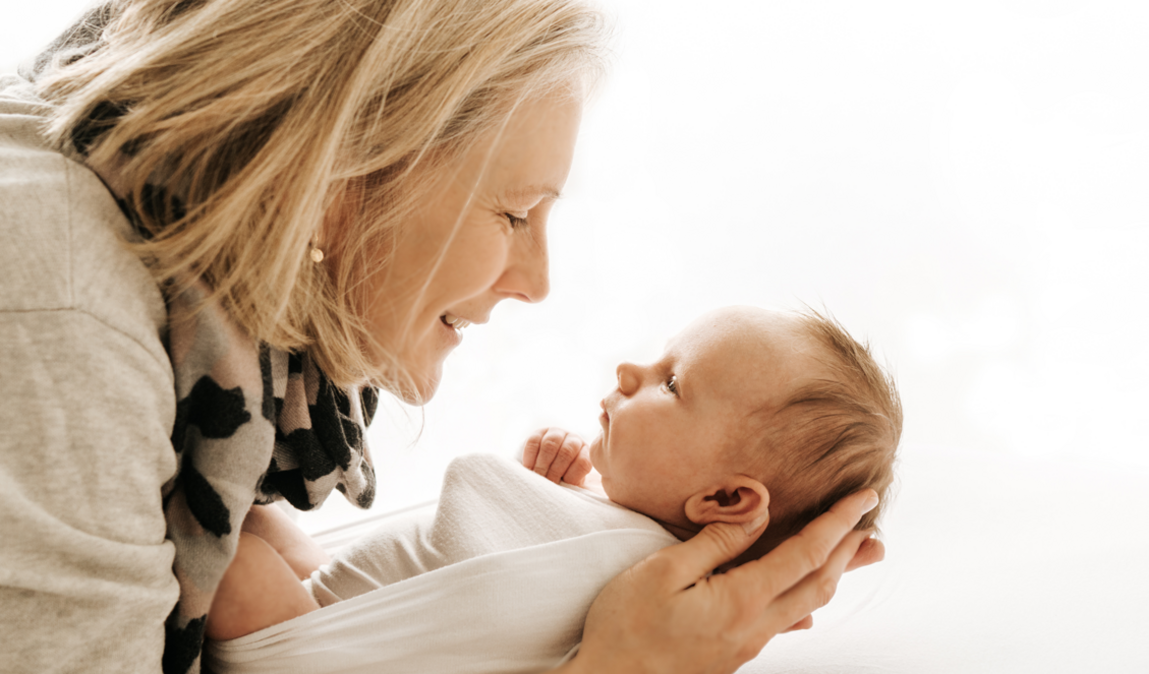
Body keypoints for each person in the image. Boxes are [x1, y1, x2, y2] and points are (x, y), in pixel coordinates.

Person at [0, 1, 885, 673]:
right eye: (515, 212)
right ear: (345, 162)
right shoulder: (65, 316)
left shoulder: (180, 340)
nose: (538, 281)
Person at [199, 305, 901, 674]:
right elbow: (491, 588)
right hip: (343, 597)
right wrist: (546, 491)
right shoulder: (623, 543)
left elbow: (482, 517)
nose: (630, 370)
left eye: (673, 383)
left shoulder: (636, 566)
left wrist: (514, 489)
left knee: (216, 532)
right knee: (255, 521)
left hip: (306, 643)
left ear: (724, 503)